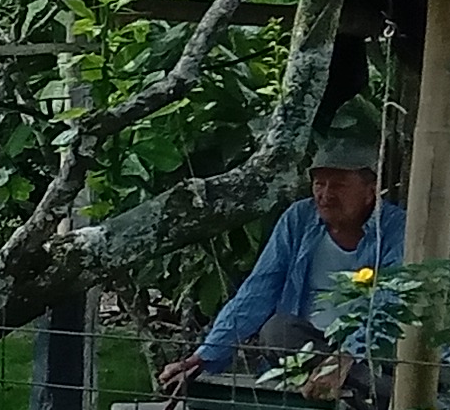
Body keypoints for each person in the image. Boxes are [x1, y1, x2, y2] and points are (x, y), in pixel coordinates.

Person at [157, 130, 403, 394]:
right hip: (303, 349)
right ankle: (371, 390)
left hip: (367, 354)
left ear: (370, 191)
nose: (326, 194)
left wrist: (345, 357)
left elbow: (390, 305)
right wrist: (202, 356)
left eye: (339, 185)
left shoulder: (397, 229)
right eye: (319, 184)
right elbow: (259, 290)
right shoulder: (298, 218)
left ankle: (369, 386)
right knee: (277, 332)